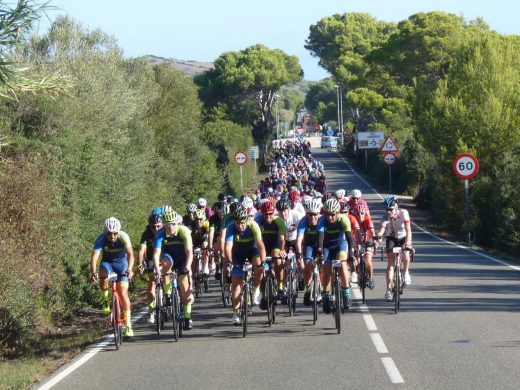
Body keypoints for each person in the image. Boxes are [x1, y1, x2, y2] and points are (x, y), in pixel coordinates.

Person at [90, 217, 135, 337]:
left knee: (123, 293)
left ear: (118, 232)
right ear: (106, 232)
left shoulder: (123, 236)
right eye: (110, 234)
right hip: (108, 263)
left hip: (122, 264)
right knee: (102, 273)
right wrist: (93, 272)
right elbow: (94, 257)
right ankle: (105, 301)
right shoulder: (101, 238)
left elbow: (131, 255)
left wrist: (130, 269)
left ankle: (128, 325)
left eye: (115, 233)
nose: (113, 236)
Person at [152, 208, 194, 330]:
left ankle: (187, 316)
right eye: (167, 225)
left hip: (182, 258)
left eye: (172, 224)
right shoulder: (160, 234)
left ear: (177, 223)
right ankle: (168, 292)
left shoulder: (184, 231)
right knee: (164, 264)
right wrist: (157, 271)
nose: (170, 227)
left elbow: (189, 252)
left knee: (185, 287)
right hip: (168, 257)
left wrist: (188, 266)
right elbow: (156, 254)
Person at [225, 205, 266, 325]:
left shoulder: (253, 225)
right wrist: (229, 262)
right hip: (237, 254)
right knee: (236, 285)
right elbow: (228, 247)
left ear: (247, 220)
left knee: (258, 264)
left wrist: (262, 263)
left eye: (242, 222)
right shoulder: (231, 227)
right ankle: (236, 313)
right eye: (237, 223)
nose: (240, 225)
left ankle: (257, 289)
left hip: (252, 251)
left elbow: (260, 246)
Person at [317, 198, 355, 312]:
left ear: (338, 213)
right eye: (328, 214)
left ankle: (346, 293)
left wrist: (351, 254)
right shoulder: (321, 220)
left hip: (340, 245)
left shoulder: (344, 219)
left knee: (342, 264)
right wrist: (320, 252)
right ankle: (326, 296)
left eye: (333, 214)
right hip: (327, 247)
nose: (330, 217)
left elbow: (349, 238)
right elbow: (320, 239)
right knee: (326, 270)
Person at [376, 196, 413, 302]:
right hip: (391, 238)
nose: (388, 212)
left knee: (406, 254)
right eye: (386, 209)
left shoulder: (404, 213)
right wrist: (378, 237)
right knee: (390, 263)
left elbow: (408, 230)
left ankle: (405, 272)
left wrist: (408, 244)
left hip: (403, 237)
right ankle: (388, 290)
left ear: (396, 207)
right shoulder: (385, 217)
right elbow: (382, 230)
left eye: (390, 209)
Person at [255, 199, 287, 305]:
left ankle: (280, 286)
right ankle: (263, 294)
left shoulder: (279, 220)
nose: (268, 216)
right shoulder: (258, 220)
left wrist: (282, 250)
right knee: (262, 268)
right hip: (262, 245)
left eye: (270, 214)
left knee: (277, 260)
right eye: (266, 214)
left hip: (275, 244)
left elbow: (282, 239)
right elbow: (255, 239)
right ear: (262, 213)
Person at [137, 208, 164, 324]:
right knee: (152, 282)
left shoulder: (166, 231)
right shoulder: (146, 233)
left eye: (158, 226)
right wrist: (140, 264)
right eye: (153, 226)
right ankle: (151, 311)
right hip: (151, 258)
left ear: (162, 224)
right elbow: (141, 250)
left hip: (164, 258)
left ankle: (169, 296)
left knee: (166, 277)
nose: (156, 229)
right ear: (149, 225)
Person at [295, 198, 322, 306]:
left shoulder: (322, 220)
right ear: (307, 214)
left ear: (318, 213)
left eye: (315, 214)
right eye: (310, 214)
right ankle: (307, 288)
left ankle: (323, 288)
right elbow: (298, 240)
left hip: (322, 244)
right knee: (307, 264)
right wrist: (299, 256)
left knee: (324, 265)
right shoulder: (303, 221)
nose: (313, 217)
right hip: (309, 245)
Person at [189, 208, 211, 275]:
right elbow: (187, 234)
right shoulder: (191, 224)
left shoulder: (206, 223)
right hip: (194, 240)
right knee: (191, 255)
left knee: (205, 246)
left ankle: (205, 266)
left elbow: (209, 233)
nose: (198, 221)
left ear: (204, 219)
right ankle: (192, 274)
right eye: (196, 219)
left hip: (203, 239)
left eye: (201, 219)